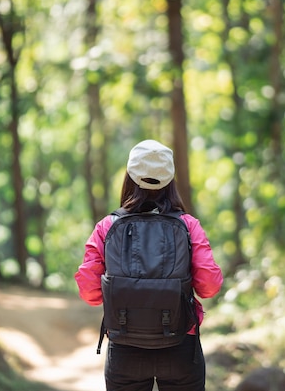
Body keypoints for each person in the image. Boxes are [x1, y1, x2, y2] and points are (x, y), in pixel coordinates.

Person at [75, 139, 223, 391]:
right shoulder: (188, 226)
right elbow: (209, 286)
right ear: (171, 181)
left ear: (129, 178)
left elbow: (89, 292)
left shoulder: (107, 227)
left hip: (124, 347)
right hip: (180, 345)